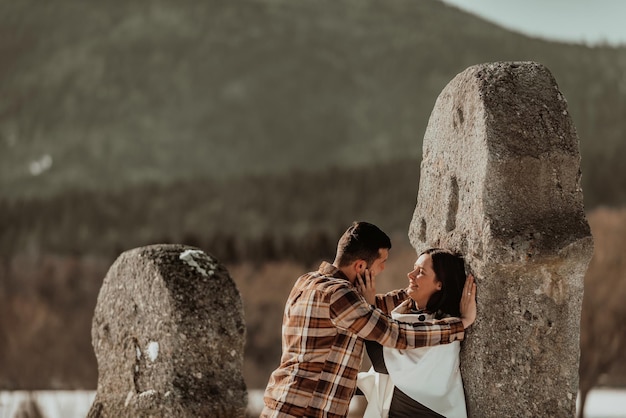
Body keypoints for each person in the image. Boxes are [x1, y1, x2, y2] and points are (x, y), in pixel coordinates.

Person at [261, 222, 477, 418]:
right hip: (306, 410)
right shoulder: (340, 295)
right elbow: (394, 334)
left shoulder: (308, 282)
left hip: (281, 403)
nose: (383, 269)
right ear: (361, 267)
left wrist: (422, 290)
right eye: (381, 262)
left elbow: (372, 307)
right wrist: (461, 323)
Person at [356, 248, 472, 418]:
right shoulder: (407, 314)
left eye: (421, 272)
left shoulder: (442, 330)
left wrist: (368, 309)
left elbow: (383, 362)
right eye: (414, 268)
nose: (411, 274)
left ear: (439, 284)